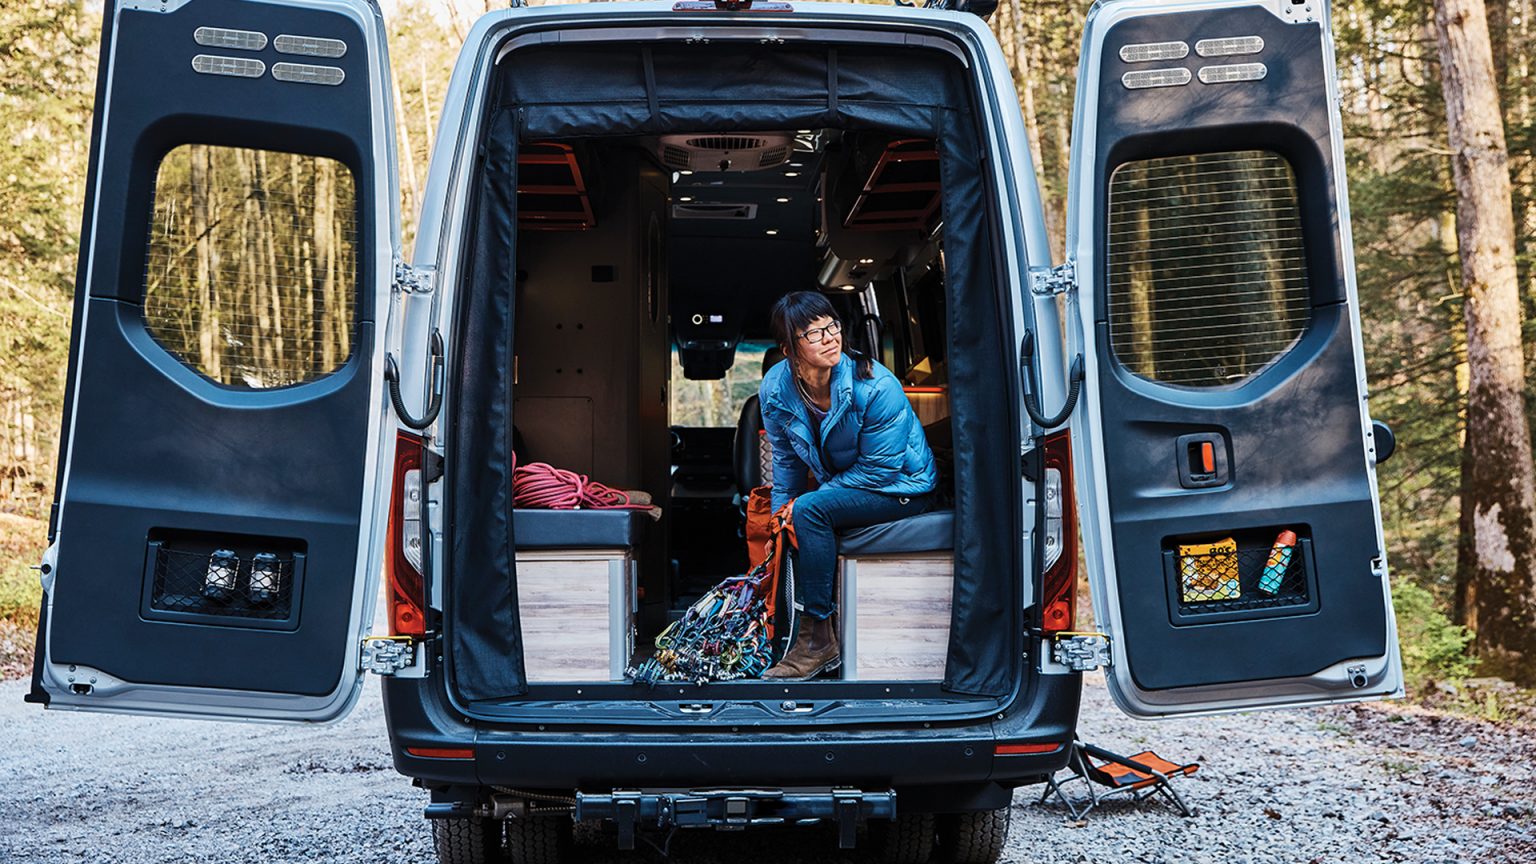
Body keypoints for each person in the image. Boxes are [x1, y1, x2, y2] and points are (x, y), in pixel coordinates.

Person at [758, 291, 938, 680]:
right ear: (789, 350)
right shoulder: (775, 389)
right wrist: (777, 520)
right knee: (796, 519)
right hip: (853, 486)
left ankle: (818, 642)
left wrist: (811, 501)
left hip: (903, 487)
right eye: (813, 333)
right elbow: (786, 462)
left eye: (832, 326)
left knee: (811, 510)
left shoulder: (875, 384)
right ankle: (791, 635)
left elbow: (881, 469)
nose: (829, 338)